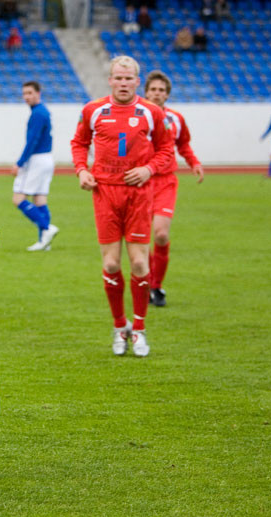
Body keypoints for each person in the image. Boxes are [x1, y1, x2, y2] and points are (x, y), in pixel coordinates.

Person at [70, 56, 174, 357]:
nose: (123, 83)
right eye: (118, 78)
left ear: (137, 81)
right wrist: (82, 170)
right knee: (112, 264)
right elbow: (79, 143)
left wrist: (149, 169)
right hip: (105, 193)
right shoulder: (93, 110)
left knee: (139, 264)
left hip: (139, 194)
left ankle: (139, 329)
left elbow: (167, 148)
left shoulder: (152, 112)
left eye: (129, 78)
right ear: (110, 80)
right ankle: (120, 327)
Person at [144, 70, 204, 307]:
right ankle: (146, 283)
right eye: (153, 90)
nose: (157, 94)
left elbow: (183, 144)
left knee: (160, 234)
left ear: (167, 94)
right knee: (139, 240)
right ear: (146, 92)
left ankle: (156, 286)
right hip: (139, 183)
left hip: (165, 182)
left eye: (161, 90)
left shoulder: (176, 119)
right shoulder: (136, 116)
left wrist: (194, 162)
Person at [11, 81, 58, 251]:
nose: (26, 97)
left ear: (38, 93)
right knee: (40, 200)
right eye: (24, 93)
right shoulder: (43, 111)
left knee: (18, 199)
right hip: (47, 158)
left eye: (30, 93)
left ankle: (46, 227)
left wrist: (19, 163)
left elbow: (32, 141)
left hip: (36, 159)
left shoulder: (38, 113)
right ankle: (44, 242)